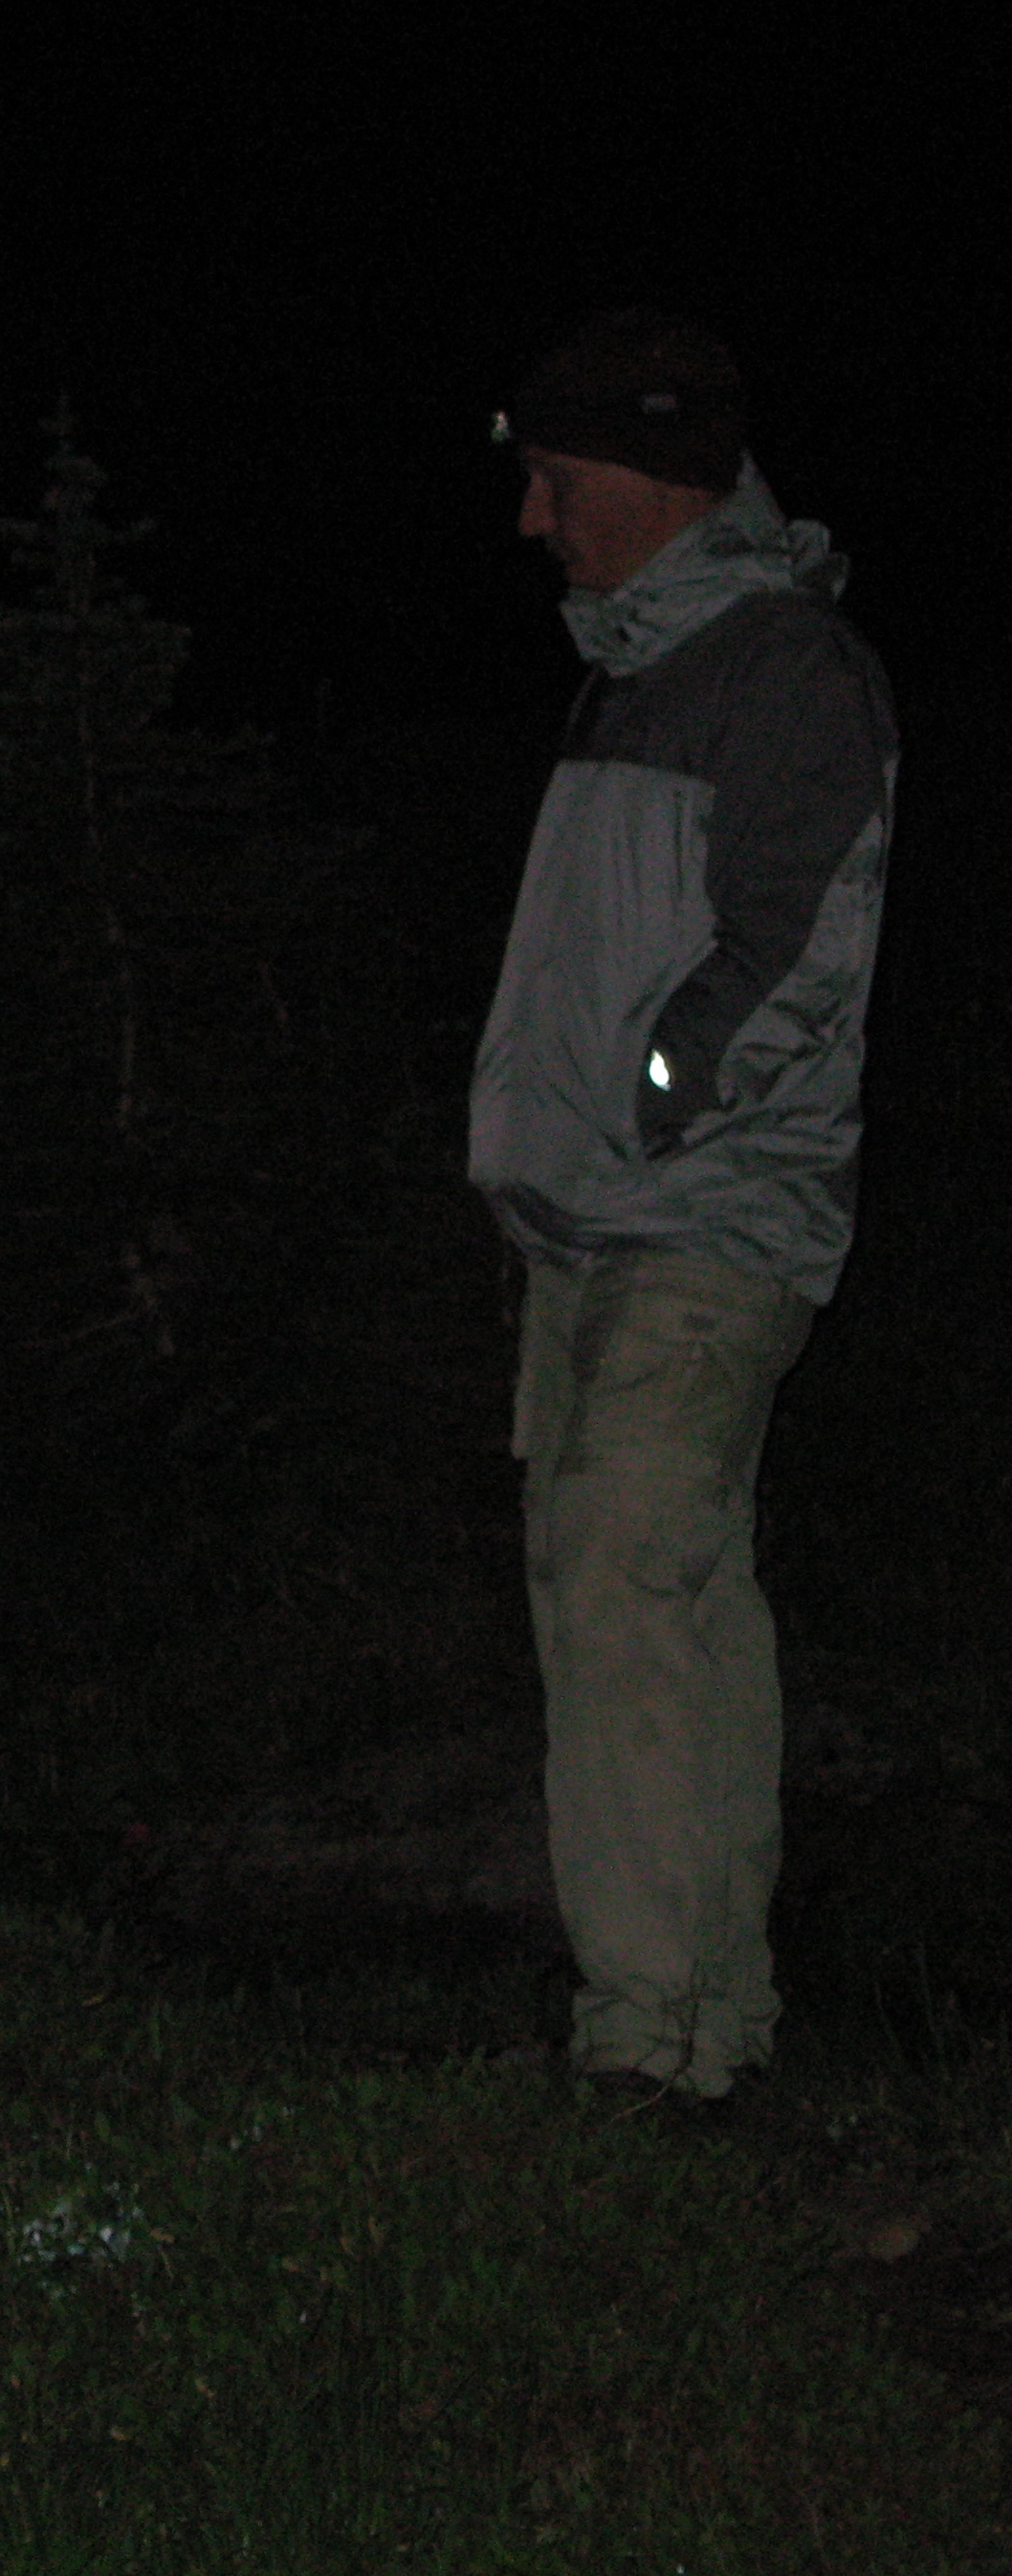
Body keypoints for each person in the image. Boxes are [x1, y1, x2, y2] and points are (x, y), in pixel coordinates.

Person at [472, 307, 897, 2101]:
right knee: (670, 1602)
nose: (532, 520)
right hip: (590, 1222)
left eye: (555, 481)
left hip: (703, 1221)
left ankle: (640, 2051)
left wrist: (656, 1096)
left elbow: (794, 945)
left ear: (651, 477)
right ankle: (714, 2028)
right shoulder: (633, 668)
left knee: (621, 1579)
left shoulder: (784, 668)